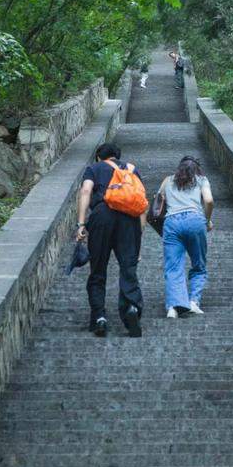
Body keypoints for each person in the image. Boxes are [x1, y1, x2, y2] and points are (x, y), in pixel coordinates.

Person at [76, 142, 145, 337]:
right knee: (128, 268)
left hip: (101, 217)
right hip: (129, 220)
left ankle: (99, 316)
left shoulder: (94, 168)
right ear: (118, 155)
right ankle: (131, 308)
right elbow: (141, 204)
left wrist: (81, 224)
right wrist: (138, 240)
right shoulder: (131, 169)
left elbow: (86, 191)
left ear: (99, 156)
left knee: (98, 268)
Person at [158, 155, 214, 319]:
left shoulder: (168, 180)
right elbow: (209, 201)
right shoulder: (201, 180)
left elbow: (158, 200)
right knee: (198, 264)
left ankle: (173, 307)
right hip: (195, 220)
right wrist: (207, 220)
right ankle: (193, 302)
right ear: (197, 169)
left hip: (172, 223)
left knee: (173, 266)